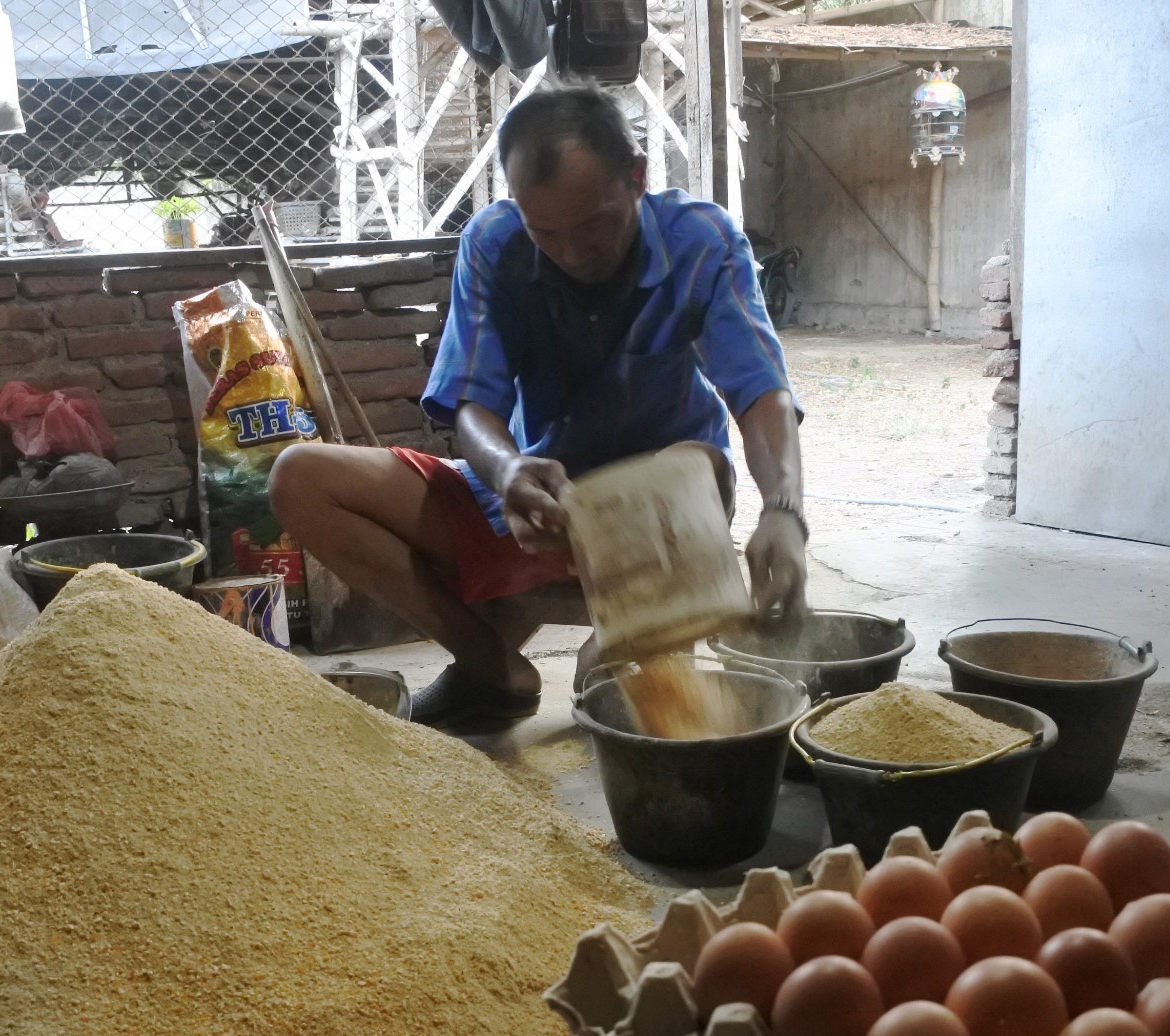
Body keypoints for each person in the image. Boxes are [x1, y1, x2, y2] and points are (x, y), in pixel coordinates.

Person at [270, 81, 807, 731]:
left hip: (658, 523)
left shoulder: (700, 239)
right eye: (546, 232)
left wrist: (783, 509)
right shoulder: (494, 242)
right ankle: (492, 666)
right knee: (299, 476)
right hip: (535, 506)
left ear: (635, 177)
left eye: (595, 225)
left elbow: (758, 391)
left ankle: (623, 641)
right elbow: (475, 409)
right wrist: (508, 472)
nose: (573, 252)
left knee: (695, 464)